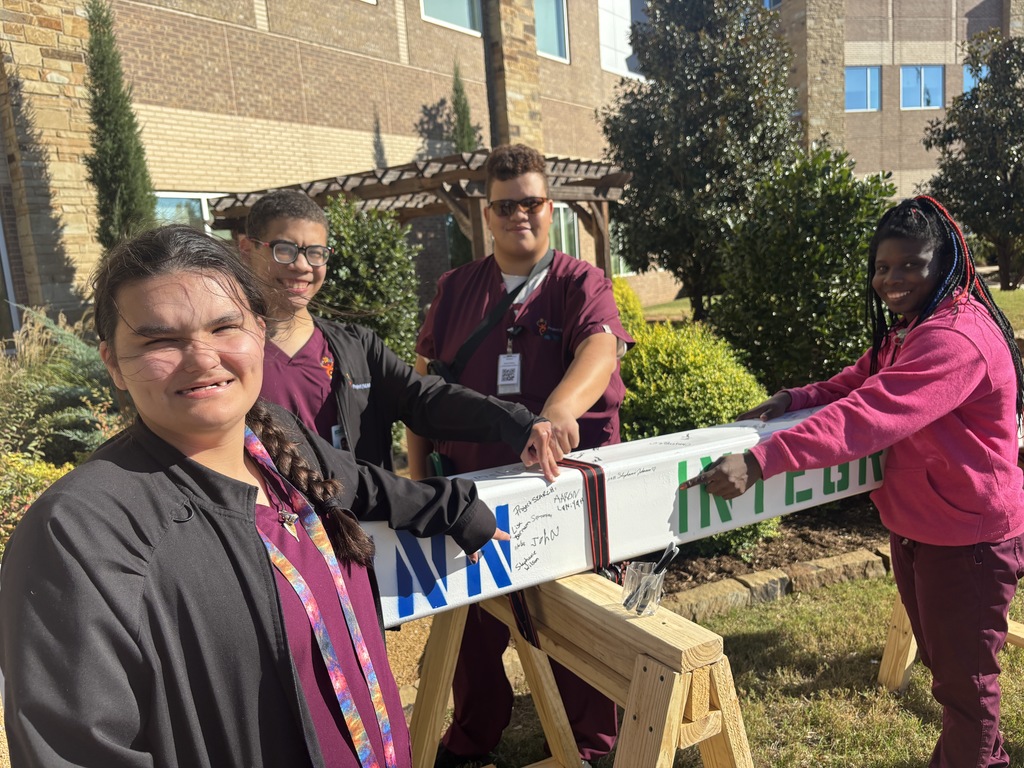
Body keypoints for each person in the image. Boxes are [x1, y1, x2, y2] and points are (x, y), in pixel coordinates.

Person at [0, 225, 510, 768]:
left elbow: (363, 484)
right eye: (159, 341)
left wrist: (454, 507)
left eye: (225, 326)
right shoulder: (80, 532)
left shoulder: (278, 441)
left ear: (260, 332)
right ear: (113, 363)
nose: (201, 358)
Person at [695, 196, 1024, 768]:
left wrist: (761, 461)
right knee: (950, 671)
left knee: (966, 688)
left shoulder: (954, 338)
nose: (892, 279)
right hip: (923, 527)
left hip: (969, 540)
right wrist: (796, 398)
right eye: (882, 266)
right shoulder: (912, 329)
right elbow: (858, 380)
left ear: (946, 263)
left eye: (911, 265)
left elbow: (869, 413)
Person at [408, 144, 634, 768]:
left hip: (559, 490)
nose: (519, 216)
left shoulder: (580, 282)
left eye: (531, 203)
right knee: (469, 633)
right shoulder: (455, 289)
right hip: (471, 495)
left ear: (549, 208)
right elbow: (423, 387)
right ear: (488, 215)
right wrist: (421, 477)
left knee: (577, 622)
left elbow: (600, 350)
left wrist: (558, 410)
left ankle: (591, 747)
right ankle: (471, 738)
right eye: (505, 206)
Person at [237, 189, 559, 480]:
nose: (302, 266)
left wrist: (516, 422)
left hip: (360, 525)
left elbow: (425, 400)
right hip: (271, 527)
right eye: (284, 250)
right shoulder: (227, 355)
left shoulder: (356, 349)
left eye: (316, 252)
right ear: (247, 250)